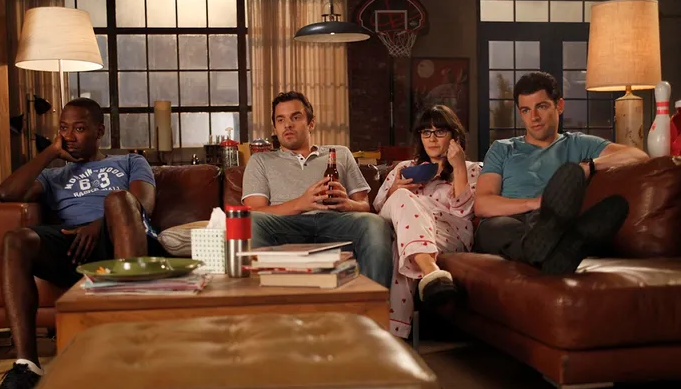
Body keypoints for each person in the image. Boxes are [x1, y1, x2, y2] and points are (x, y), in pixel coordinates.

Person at [0, 98, 164, 389]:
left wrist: (99, 224)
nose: (69, 136)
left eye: (79, 129)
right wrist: (50, 153)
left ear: (99, 131)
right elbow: (5, 193)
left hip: (123, 237)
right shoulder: (53, 175)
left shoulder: (130, 162)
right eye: (63, 129)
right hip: (75, 247)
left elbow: (142, 206)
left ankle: (128, 351)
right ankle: (27, 368)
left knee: (118, 200)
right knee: (15, 239)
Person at [474, 72, 649, 274]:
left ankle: (555, 247)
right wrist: (536, 203)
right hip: (511, 220)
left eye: (541, 106)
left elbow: (638, 155)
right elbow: (482, 204)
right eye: (526, 110)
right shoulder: (502, 148)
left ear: (559, 106)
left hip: (555, 221)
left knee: (548, 225)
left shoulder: (579, 143)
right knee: (495, 228)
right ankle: (569, 245)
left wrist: (587, 167)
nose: (534, 117)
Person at [242, 91, 393, 288]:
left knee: (375, 223)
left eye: (295, 117)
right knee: (250, 221)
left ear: (311, 123)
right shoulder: (260, 160)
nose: (287, 125)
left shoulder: (340, 154)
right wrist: (301, 204)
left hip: (335, 223)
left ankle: (372, 302)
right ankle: (263, 302)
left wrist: (347, 204)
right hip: (285, 225)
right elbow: (254, 210)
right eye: (281, 120)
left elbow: (364, 205)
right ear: (275, 128)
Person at [373, 105, 481, 338]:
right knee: (403, 203)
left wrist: (458, 166)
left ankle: (393, 335)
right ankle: (431, 272)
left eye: (439, 132)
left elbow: (463, 213)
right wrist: (394, 190)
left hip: (447, 232)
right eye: (426, 132)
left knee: (402, 247)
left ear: (454, 136)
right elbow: (379, 209)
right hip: (406, 228)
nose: (432, 139)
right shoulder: (405, 168)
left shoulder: (472, 169)